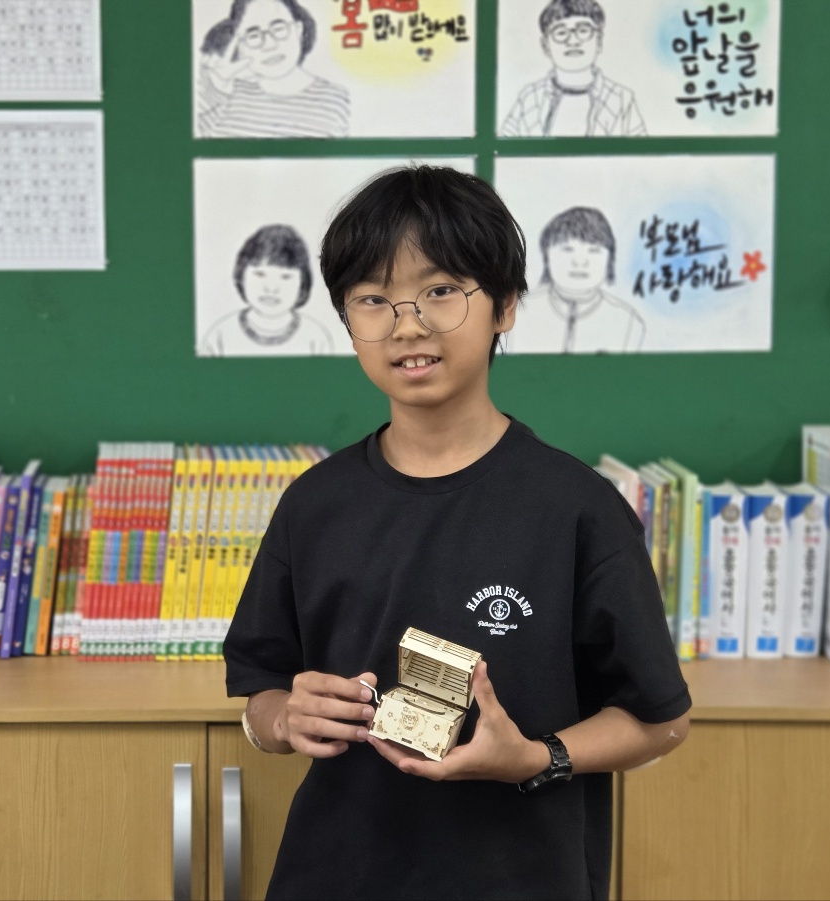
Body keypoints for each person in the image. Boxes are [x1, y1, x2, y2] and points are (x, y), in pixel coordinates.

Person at [223, 165, 689, 900]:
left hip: (521, 877)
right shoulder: (314, 503)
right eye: (373, 299)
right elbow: (261, 692)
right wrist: (285, 719)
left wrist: (535, 756)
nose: (407, 324)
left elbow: (661, 721)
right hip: (335, 874)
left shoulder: (577, 508)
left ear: (505, 305)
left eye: (441, 291)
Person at [197, 0, 351, 139]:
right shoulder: (224, 96)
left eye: (279, 28)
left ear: (299, 30)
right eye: (253, 35)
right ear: (239, 44)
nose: (269, 44)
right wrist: (212, 87)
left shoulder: (336, 99)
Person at [500, 0, 646, 138]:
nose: (573, 41)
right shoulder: (529, 97)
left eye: (583, 30)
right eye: (561, 33)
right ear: (545, 45)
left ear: (599, 40)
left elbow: (643, 152)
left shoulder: (621, 99)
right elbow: (504, 147)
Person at [515, 206, 646, 354]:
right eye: (567, 249)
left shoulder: (628, 321)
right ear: (546, 256)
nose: (580, 262)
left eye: (594, 250)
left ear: (609, 260)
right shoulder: (516, 311)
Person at [201, 224, 337, 356]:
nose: (271, 288)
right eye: (260, 274)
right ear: (241, 276)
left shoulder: (317, 338)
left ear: (303, 283)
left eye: (285, 277)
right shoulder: (219, 335)